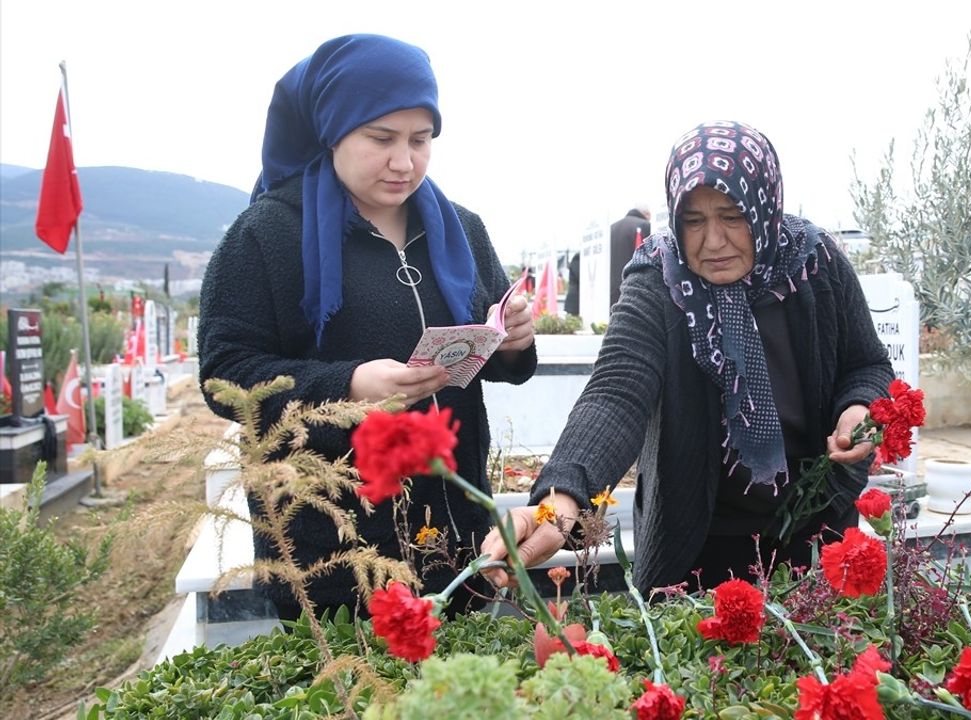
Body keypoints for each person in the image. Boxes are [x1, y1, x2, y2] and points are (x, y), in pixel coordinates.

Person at [198, 34, 536, 622]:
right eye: (381, 138)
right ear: (334, 130)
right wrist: (348, 385)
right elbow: (225, 373)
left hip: (455, 542)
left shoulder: (461, 229)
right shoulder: (267, 234)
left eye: (420, 140)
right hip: (331, 557)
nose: (404, 161)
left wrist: (513, 342)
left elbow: (498, 353)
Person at [482, 121, 893, 592]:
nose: (712, 241)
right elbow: (617, 392)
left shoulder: (816, 264)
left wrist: (857, 409)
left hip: (815, 530)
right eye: (693, 221)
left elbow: (867, 364)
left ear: (764, 208)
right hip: (696, 546)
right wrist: (560, 499)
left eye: (733, 215)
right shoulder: (660, 278)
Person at [609, 204, 651, 307]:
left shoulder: (611, 228)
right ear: (647, 214)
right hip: (635, 290)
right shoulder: (645, 226)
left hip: (611, 290)